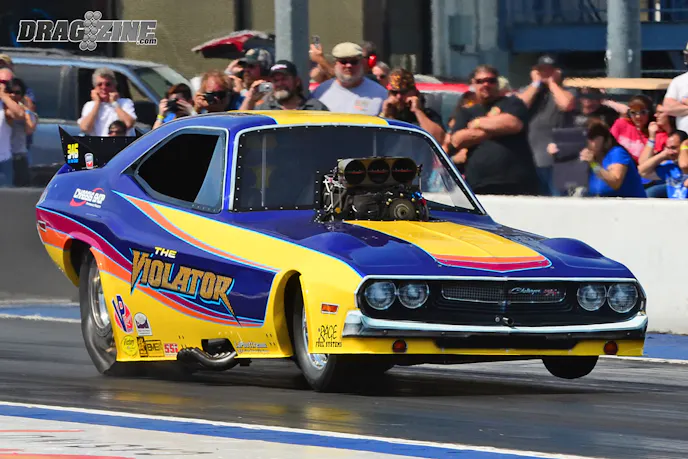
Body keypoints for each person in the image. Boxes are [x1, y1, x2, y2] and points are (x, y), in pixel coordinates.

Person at [449, 65, 539, 195]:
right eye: (480, 81)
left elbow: (513, 124)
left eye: (490, 81)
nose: (486, 84)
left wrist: (477, 123)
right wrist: (496, 126)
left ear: (497, 83)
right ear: (473, 84)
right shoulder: (466, 112)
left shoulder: (512, 103)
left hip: (516, 181)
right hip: (478, 183)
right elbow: (457, 140)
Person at [518, 55, 576, 196]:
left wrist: (552, 83)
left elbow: (566, 104)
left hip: (560, 160)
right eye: (542, 70)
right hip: (531, 160)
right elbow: (518, 107)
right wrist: (535, 84)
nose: (545, 73)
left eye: (550, 70)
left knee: (561, 200)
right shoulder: (528, 90)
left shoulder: (568, 90)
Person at [311, 42, 387, 115]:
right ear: (335, 64)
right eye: (343, 62)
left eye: (354, 61)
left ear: (362, 63)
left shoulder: (381, 94)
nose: (349, 65)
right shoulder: (321, 92)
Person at [579, 119, 646, 198]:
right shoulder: (590, 158)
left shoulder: (617, 153)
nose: (588, 142)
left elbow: (615, 182)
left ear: (605, 139)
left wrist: (593, 164)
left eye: (592, 137)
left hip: (631, 203)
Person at [379, 69, 444, 144]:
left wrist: (417, 111)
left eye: (403, 92)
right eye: (394, 93)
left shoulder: (428, 114)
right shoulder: (387, 112)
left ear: (414, 92)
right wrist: (386, 114)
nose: (399, 97)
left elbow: (438, 139)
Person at [241, 60, 328, 111]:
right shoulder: (264, 109)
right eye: (275, 80)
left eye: (284, 79)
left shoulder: (315, 108)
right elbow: (240, 122)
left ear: (297, 81)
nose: (279, 84)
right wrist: (250, 98)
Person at [78, 68, 137, 136]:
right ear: (95, 88)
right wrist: (97, 104)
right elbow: (85, 128)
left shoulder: (125, 103)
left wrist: (114, 103)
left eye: (108, 84)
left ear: (114, 86)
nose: (104, 87)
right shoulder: (89, 105)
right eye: (100, 84)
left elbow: (128, 124)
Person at [6, 77, 37, 187]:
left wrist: (27, 111)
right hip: (5, 157)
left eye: (17, 92)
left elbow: (29, 129)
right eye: (10, 91)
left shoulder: (25, 110)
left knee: (21, 189)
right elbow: (13, 115)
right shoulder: (4, 108)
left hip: (19, 155)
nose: (13, 95)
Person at [638, 130, 688, 199]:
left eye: (673, 148)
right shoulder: (670, 167)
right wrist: (663, 154)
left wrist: (684, 146)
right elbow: (641, 172)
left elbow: (684, 165)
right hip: (673, 205)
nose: (670, 152)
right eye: (668, 148)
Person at [610, 95, 657, 163]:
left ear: (650, 113)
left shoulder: (654, 133)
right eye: (633, 112)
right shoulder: (621, 124)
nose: (638, 116)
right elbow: (608, 146)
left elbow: (644, 163)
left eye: (643, 112)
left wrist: (652, 137)